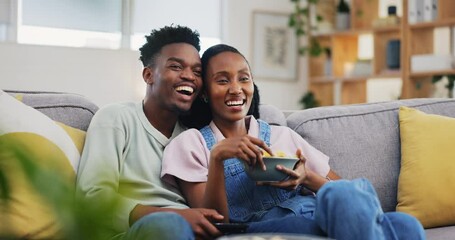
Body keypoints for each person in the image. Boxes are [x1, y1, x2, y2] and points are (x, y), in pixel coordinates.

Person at [161, 44, 426, 240]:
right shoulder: (190, 144)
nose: (236, 88)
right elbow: (214, 224)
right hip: (270, 228)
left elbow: (347, 196)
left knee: (404, 223)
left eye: (244, 78)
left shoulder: (282, 135)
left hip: (319, 213)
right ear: (205, 93)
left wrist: (306, 178)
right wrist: (218, 156)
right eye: (222, 80)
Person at [76, 25, 224, 240]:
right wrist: (176, 216)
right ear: (148, 75)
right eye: (176, 66)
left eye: (197, 72)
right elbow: (92, 198)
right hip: (138, 231)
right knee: (169, 227)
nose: (189, 76)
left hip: (193, 233)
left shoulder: (194, 137)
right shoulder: (116, 118)